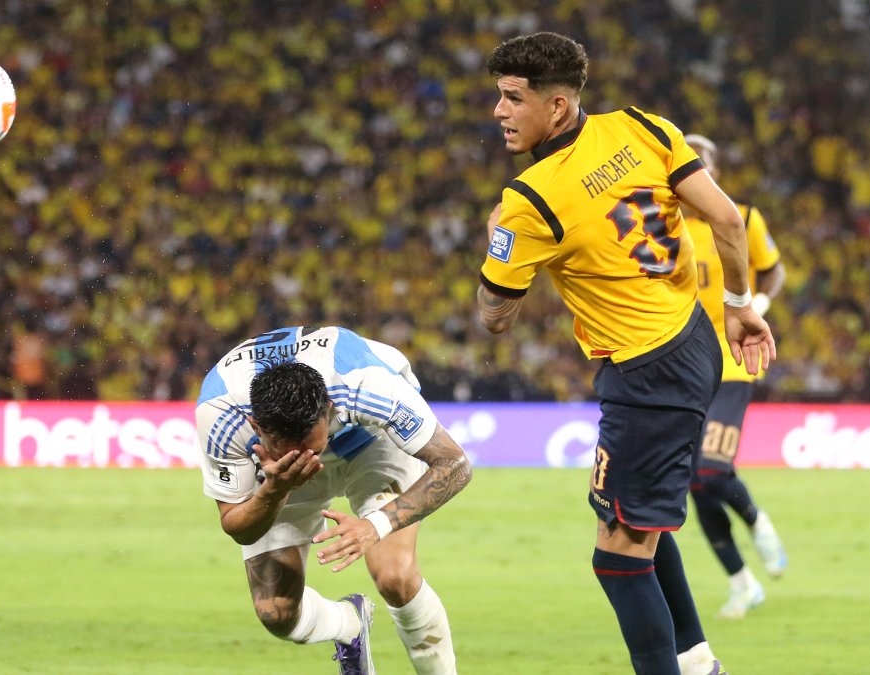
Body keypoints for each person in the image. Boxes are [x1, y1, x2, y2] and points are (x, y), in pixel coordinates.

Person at [475, 33, 775, 675]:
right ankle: (695, 659)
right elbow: (726, 220)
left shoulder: (529, 201)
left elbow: (495, 316)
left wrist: (498, 245)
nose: (498, 111)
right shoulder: (643, 127)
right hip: (693, 338)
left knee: (617, 556)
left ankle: (684, 667)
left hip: (647, 373)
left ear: (556, 107)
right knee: (618, 511)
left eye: (511, 97)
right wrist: (741, 303)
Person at [196, 326, 471, 675]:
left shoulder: (365, 383)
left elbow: (456, 464)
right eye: (289, 449)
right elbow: (237, 526)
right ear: (256, 426)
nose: (304, 458)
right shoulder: (221, 413)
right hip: (280, 477)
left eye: (309, 446)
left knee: (394, 576)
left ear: (328, 409)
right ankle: (348, 625)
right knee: (276, 613)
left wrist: (376, 524)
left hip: (372, 440)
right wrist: (274, 489)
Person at [682, 134, 789, 619]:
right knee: (695, 482)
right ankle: (742, 583)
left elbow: (774, 271)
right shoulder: (662, 228)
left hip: (731, 363)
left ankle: (758, 520)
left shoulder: (742, 218)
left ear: (715, 171)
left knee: (710, 469)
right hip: (684, 368)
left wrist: (759, 304)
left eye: (701, 164)